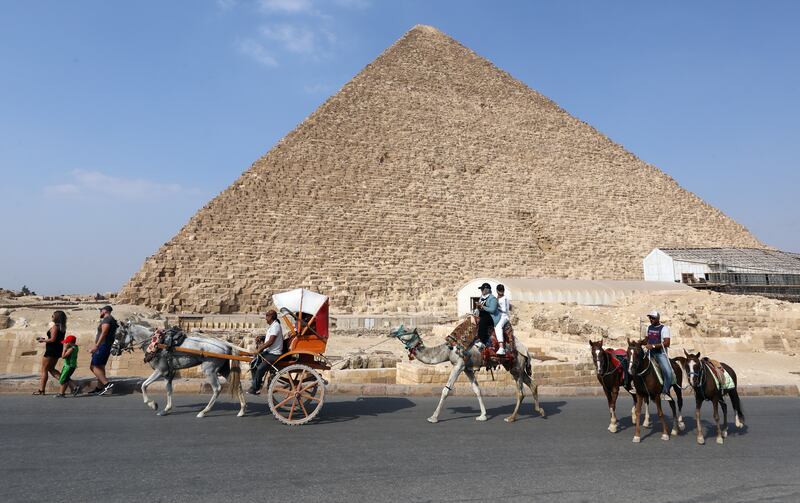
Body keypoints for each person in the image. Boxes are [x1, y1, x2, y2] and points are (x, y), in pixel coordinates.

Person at [248, 310, 284, 394]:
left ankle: (256, 388)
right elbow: (270, 338)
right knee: (253, 363)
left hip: (274, 353)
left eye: (267, 316)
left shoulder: (276, 326)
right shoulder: (273, 325)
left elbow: (271, 341)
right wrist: (262, 337)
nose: (265, 318)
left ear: (271, 317)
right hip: (269, 351)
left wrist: (259, 349)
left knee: (260, 368)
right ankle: (256, 384)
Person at [33, 310, 67, 395]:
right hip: (57, 350)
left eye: (53, 316)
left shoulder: (55, 327)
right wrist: (45, 339)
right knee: (51, 369)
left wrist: (42, 340)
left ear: (56, 317)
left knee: (44, 369)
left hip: (51, 350)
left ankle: (41, 390)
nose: (51, 317)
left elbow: (52, 339)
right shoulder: (62, 327)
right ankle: (65, 382)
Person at [87, 305, 116, 396]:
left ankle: (107, 384)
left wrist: (96, 346)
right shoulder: (112, 319)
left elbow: (103, 333)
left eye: (101, 311)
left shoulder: (107, 320)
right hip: (106, 345)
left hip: (102, 345)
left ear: (105, 311)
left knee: (93, 366)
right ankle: (99, 388)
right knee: (100, 367)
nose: (100, 312)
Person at [645, 310, 674, 401]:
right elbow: (646, 340)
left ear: (658, 318)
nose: (651, 319)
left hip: (660, 354)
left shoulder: (664, 329)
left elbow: (667, 343)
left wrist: (653, 346)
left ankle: (665, 392)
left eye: (653, 318)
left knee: (669, 373)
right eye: (650, 317)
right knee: (635, 363)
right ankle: (636, 386)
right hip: (649, 352)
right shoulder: (648, 327)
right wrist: (639, 343)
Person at [474, 283, 500, 349]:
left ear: (487, 290)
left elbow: (492, 310)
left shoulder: (493, 299)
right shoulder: (482, 297)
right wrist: (477, 309)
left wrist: (482, 307)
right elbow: (480, 307)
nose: (481, 291)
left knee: (483, 321)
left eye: (482, 289)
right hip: (483, 314)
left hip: (492, 317)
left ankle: (482, 340)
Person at [494, 284, 511, 355]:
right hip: (499, 315)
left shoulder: (504, 299)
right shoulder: (499, 297)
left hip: (504, 316)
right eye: (500, 290)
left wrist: (496, 306)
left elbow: (504, 310)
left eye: (501, 290)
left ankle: (501, 348)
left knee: (498, 327)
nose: (501, 292)